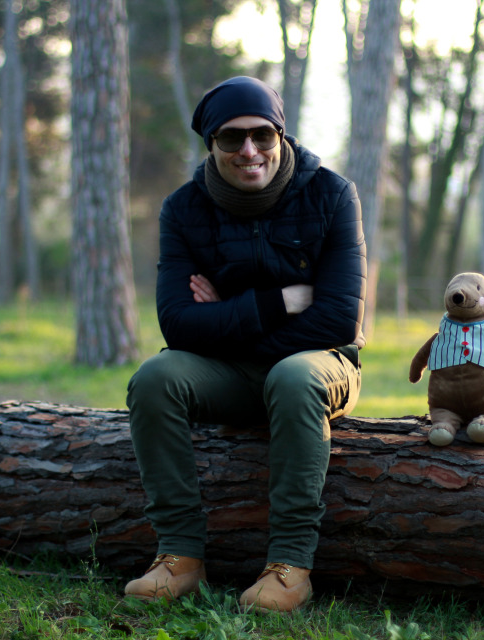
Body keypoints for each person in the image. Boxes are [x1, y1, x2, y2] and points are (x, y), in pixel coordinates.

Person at [124, 76, 366, 613]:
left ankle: (289, 566)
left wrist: (223, 315)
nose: (249, 150)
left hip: (319, 369)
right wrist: (280, 302)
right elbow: (178, 327)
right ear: (211, 144)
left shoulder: (332, 194)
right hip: (228, 374)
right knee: (155, 378)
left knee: (293, 375)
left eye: (262, 134)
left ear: (281, 135)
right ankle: (180, 558)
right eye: (231, 139)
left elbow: (338, 321)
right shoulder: (183, 210)